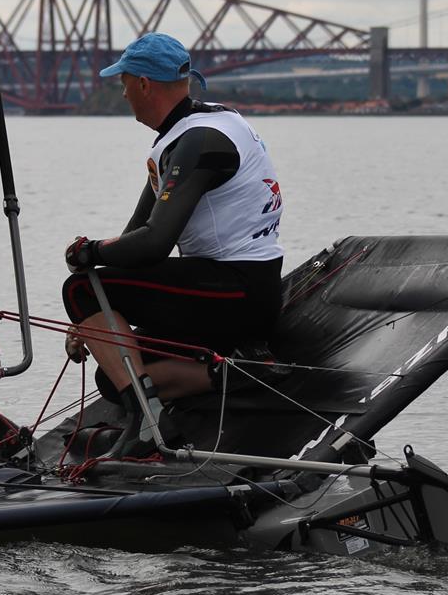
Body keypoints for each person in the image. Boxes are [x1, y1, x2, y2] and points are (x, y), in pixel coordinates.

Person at [62, 32, 283, 454]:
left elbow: (152, 246)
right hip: (231, 291)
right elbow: (134, 239)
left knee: (80, 288)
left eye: (123, 81)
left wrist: (86, 254)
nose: (123, 93)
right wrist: (91, 324)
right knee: (114, 374)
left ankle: (148, 426)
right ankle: (240, 372)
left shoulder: (199, 142)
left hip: (237, 290)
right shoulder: (195, 129)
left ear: (144, 83)